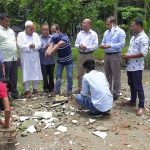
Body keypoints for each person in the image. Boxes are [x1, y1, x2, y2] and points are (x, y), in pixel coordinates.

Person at [122, 18, 149, 116]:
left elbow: (143, 53)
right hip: (130, 65)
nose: (131, 27)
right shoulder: (133, 37)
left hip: (137, 67)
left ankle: (141, 106)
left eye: (133, 26)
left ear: (138, 26)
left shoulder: (144, 38)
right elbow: (132, 50)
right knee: (131, 84)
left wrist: (129, 56)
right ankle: (133, 101)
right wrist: (126, 55)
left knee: (138, 86)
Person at [100, 16, 126, 100]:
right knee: (107, 74)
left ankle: (116, 94)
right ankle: (108, 92)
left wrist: (110, 45)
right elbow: (103, 41)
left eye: (108, 24)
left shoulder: (120, 32)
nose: (107, 26)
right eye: (106, 24)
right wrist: (102, 45)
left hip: (116, 55)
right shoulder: (106, 32)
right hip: (107, 55)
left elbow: (122, 44)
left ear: (113, 23)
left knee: (116, 75)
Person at [45, 24, 73, 96]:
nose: (53, 33)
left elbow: (57, 45)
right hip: (60, 61)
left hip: (68, 61)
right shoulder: (53, 38)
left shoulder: (65, 37)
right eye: (52, 32)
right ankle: (57, 91)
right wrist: (47, 51)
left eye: (54, 31)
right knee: (58, 75)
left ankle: (69, 91)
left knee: (69, 75)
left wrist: (50, 52)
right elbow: (51, 45)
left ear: (58, 30)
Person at [17, 20, 43, 98]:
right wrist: (29, 46)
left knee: (36, 72)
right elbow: (20, 45)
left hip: (35, 56)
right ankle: (27, 91)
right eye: (31, 29)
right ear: (26, 28)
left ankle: (35, 89)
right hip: (26, 57)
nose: (32, 31)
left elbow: (39, 44)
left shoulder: (35, 35)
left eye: (33, 29)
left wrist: (34, 46)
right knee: (26, 73)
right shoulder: (20, 34)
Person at [75, 18, 98, 93]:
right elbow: (75, 44)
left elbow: (95, 46)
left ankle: (90, 89)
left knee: (90, 72)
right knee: (80, 72)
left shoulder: (94, 34)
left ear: (89, 24)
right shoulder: (79, 33)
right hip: (81, 54)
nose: (82, 24)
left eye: (84, 23)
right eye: (82, 23)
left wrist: (87, 47)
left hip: (89, 55)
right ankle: (80, 88)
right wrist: (80, 46)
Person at [0, 13, 19, 99]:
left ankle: (14, 93)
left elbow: (14, 43)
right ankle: (5, 96)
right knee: (5, 78)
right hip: (5, 58)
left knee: (14, 77)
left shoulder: (11, 31)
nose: (8, 23)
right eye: (6, 21)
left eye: (9, 21)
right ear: (1, 21)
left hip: (14, 57)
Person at [39, 23, 55, 93]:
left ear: (49, 30)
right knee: (44, 76)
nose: (45, 31)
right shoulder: (39, 38)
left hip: (51, 60)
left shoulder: (52, 38)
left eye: (46, 30)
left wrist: (51, 47)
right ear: (41, 30)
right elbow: (38, 49)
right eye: (43, 29)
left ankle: (51, 88)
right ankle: (45, 88)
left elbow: (55, 48)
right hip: (43, 61)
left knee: (51, 76)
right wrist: (44, 48)